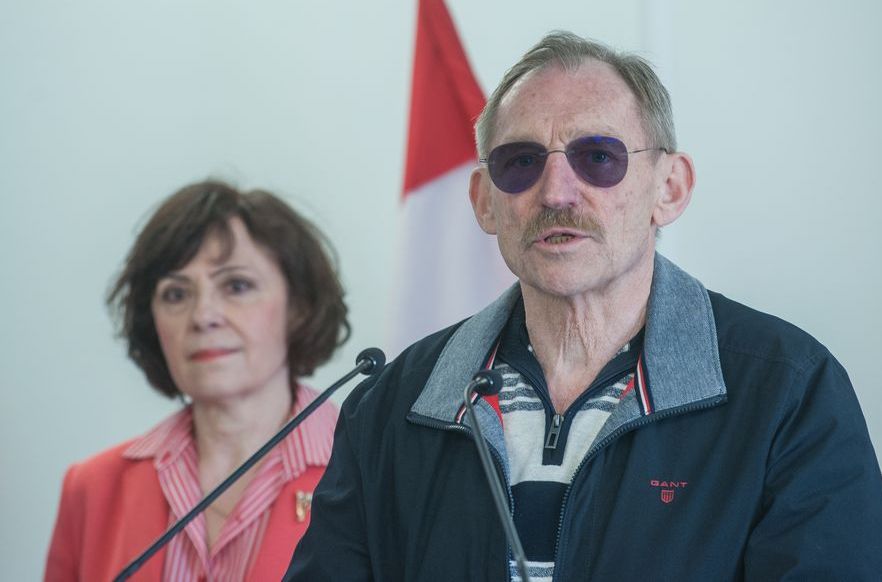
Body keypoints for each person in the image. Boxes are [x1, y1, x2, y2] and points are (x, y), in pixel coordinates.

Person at [284, 31, 882, 581]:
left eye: (598, 157)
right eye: (521, 162)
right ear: (485, 202)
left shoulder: (789, 392)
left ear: (669, 188)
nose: (555, 192)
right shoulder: (392, 406)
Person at [44, 180, 349, 581]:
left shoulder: (368, 472)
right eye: (176, 294)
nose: (203, 315)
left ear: (299, 307)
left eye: (236, 286)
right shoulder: (92, 488)